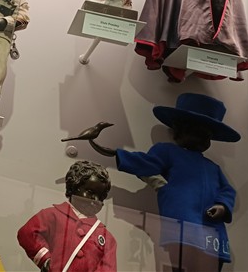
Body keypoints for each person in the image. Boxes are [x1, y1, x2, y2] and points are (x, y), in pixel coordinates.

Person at [81, 93, 239, 272]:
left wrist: (222, 206)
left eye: (206, 135)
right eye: (196, 131)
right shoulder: (168, 152)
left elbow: (228, 190)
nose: (201, 138)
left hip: (211, 232)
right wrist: (115, 153)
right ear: (180, 130)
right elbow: (145, 163)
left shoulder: (212, 167)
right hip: (182, 228)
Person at [17, 160, 117, 272]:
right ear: (74, 187)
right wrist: (45, 260)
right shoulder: (53, 215)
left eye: (101, 196)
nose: (95, 199)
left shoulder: (107, 238)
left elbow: (108, 268)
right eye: (90, 191)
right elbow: (27, 233)